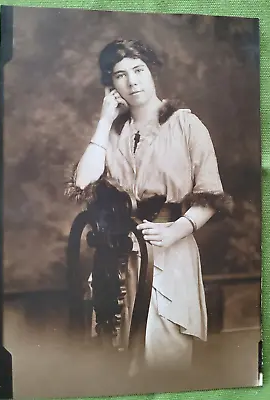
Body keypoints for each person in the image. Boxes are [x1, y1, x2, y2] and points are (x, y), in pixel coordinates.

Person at [65, 38, 233, 378]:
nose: (132, 81)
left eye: (138, 70)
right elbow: (83, 183)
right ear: (110, 85)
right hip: (118, 258)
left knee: (162, 358)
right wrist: (103, 121)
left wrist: (175, 231)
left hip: (168, 249)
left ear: (152, 72)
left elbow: (211, 195)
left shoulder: (187, 125)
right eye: (120, 75)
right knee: (118, 359)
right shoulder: (113, 132)